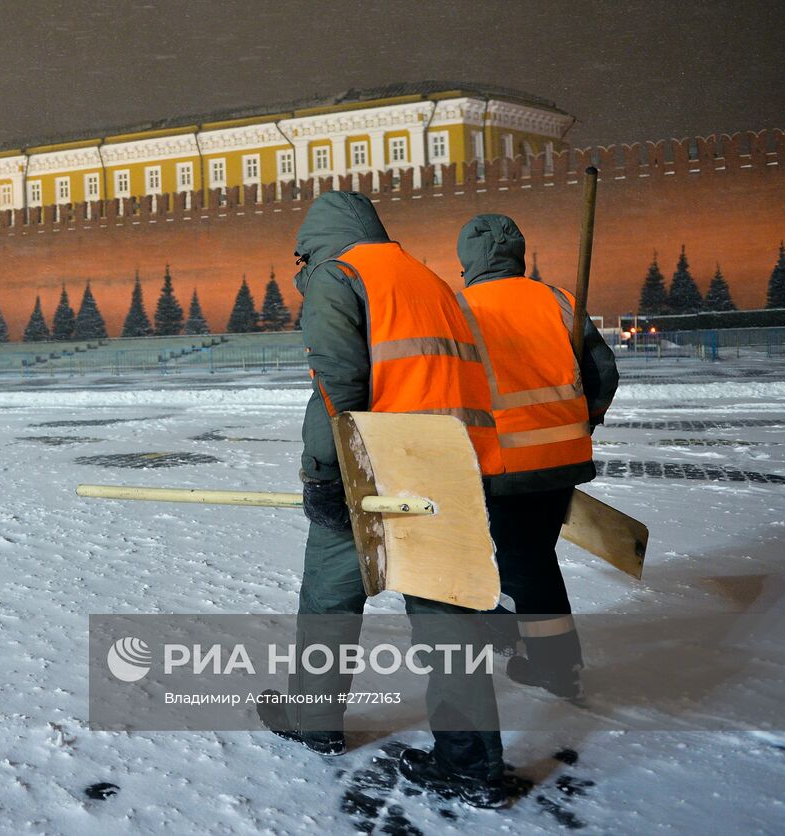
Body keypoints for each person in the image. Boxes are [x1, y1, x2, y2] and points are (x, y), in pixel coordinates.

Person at [257, 191, 508, 808]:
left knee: (329, 597)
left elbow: (336, 382)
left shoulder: (339, 274)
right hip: (449, 464)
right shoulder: (429, 279)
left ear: (314, 243)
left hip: (373, 467)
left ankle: (313, 721)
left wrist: (323, 473)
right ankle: (471, 763)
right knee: (448, 619)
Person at [455, 214, 619, 700]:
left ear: (466, 259)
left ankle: (556, 665)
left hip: (502, 462)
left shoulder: (460, 309)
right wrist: (583, 418)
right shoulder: (560, 299)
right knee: (525, 552)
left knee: (526, 560)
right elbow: (603, 373)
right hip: (564, 456)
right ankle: (510, 628)